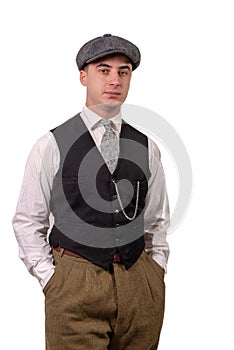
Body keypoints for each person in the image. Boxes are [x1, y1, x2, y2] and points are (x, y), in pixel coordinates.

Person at [12, 34, 170, 350]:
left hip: (138, 281)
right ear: (84, 76)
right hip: (74, 282)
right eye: (103, 70)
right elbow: (28, 221)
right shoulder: (51, 145)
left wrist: (155, 272)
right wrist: (53, 281)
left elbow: (156, 221)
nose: (114, 79)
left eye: (123, 72)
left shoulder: (147, 147)